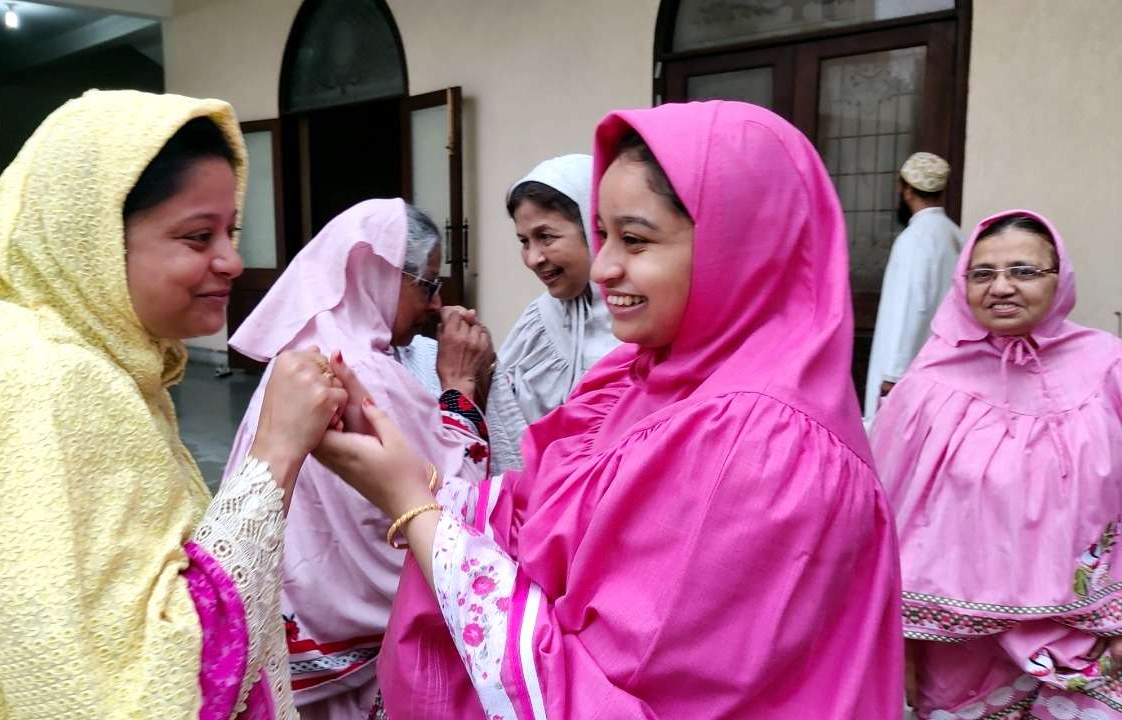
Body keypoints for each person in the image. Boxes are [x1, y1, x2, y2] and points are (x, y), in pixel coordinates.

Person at [313, 101, 904, 718]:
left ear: (744, 245)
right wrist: (406, 470)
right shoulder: (641, 373)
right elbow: (536, 519)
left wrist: (412, 507)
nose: (602, 267)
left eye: (636, 240)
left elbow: (608, 691)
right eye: (602, 235)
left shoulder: (761, 441)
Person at [0, 90, 342, 718]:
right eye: (196, 237)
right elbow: (134, 687)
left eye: (230, 230)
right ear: (92, 240)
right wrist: (274, 457)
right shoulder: (39, 384)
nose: (232, 261)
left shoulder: (93, 365)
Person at [223, 198, 495, 720]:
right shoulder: (361, 369)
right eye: (427, 285)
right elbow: (443, 500)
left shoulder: (303, 351)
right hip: (347, 650)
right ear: (375, 269)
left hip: (286, 625)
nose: (436, 305)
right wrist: (459, 385)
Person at [871, 210, 1122, 718]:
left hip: (1084, 631)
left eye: (1024, 271)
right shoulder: (927, 384)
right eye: (982, 274)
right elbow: (881, 519)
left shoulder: (1108, 365)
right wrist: (894, 648)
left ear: (1060, 277)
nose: (1001, 287)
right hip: (954, 641)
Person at [486, 154, 620, 471]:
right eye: (524, 241)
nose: (533, 258)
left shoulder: (644, 322)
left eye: (546, 237)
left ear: (594, 228)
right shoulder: (539, 324)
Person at [863, 151, 962, 424]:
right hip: (940, 369)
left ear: (906, 189)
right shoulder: (954, 235)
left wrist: (892, 376)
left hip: (907, 372)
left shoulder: (915, 238)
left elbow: (909, 307)